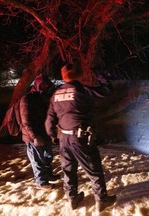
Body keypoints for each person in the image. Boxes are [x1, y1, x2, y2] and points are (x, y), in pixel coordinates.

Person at [45, 63, 116, 211]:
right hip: (81, 137)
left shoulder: (56, 94)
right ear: (78, 75)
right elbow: (106, 90)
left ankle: (72, 198)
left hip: (64, 138)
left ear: (63, 77)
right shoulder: (82, 90)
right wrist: (100, 75)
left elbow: (49, 120)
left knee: (68, 170)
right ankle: (101, 199)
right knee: (93, 169)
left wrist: (53, 135)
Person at [20, 73, 60, 189]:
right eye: (43, 85)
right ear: (37, 85)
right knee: (37, 159)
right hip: (32, 135)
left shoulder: (45, 98)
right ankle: (41, 182)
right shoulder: (27, 98)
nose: (45, 88)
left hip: (44, 133)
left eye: (47, 85)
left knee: (48, 156)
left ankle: (48, 175)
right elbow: (25, 120)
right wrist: (34, 136)